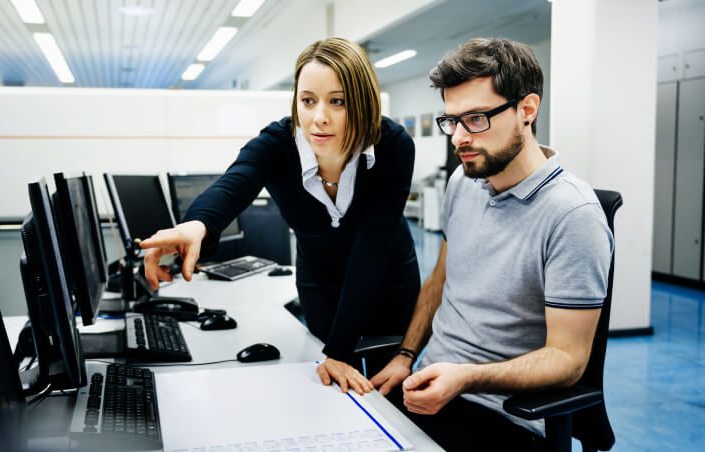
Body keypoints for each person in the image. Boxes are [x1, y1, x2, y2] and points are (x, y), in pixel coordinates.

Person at [369, 38, 614, 451]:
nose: (458, 138)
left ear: (527, 110)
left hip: (503, 415)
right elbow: (441, 280)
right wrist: (406, 355)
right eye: (452, 121)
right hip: (427, 386)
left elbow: (568, 361)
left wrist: (466, 376)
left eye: (476, 118)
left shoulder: (573, 215)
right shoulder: (462, 183)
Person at [140, 37, 420, 395]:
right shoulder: (277, 143)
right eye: (308, 101)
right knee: (330, 385)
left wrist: (340, 350)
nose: (319, 117)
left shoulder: (393, 146)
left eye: (338, 101)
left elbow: (371, 250)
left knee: (384, 389)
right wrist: (197, 225)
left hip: (385, 278)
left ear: (362, 102)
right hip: (318, 278)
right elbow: (234, 182)